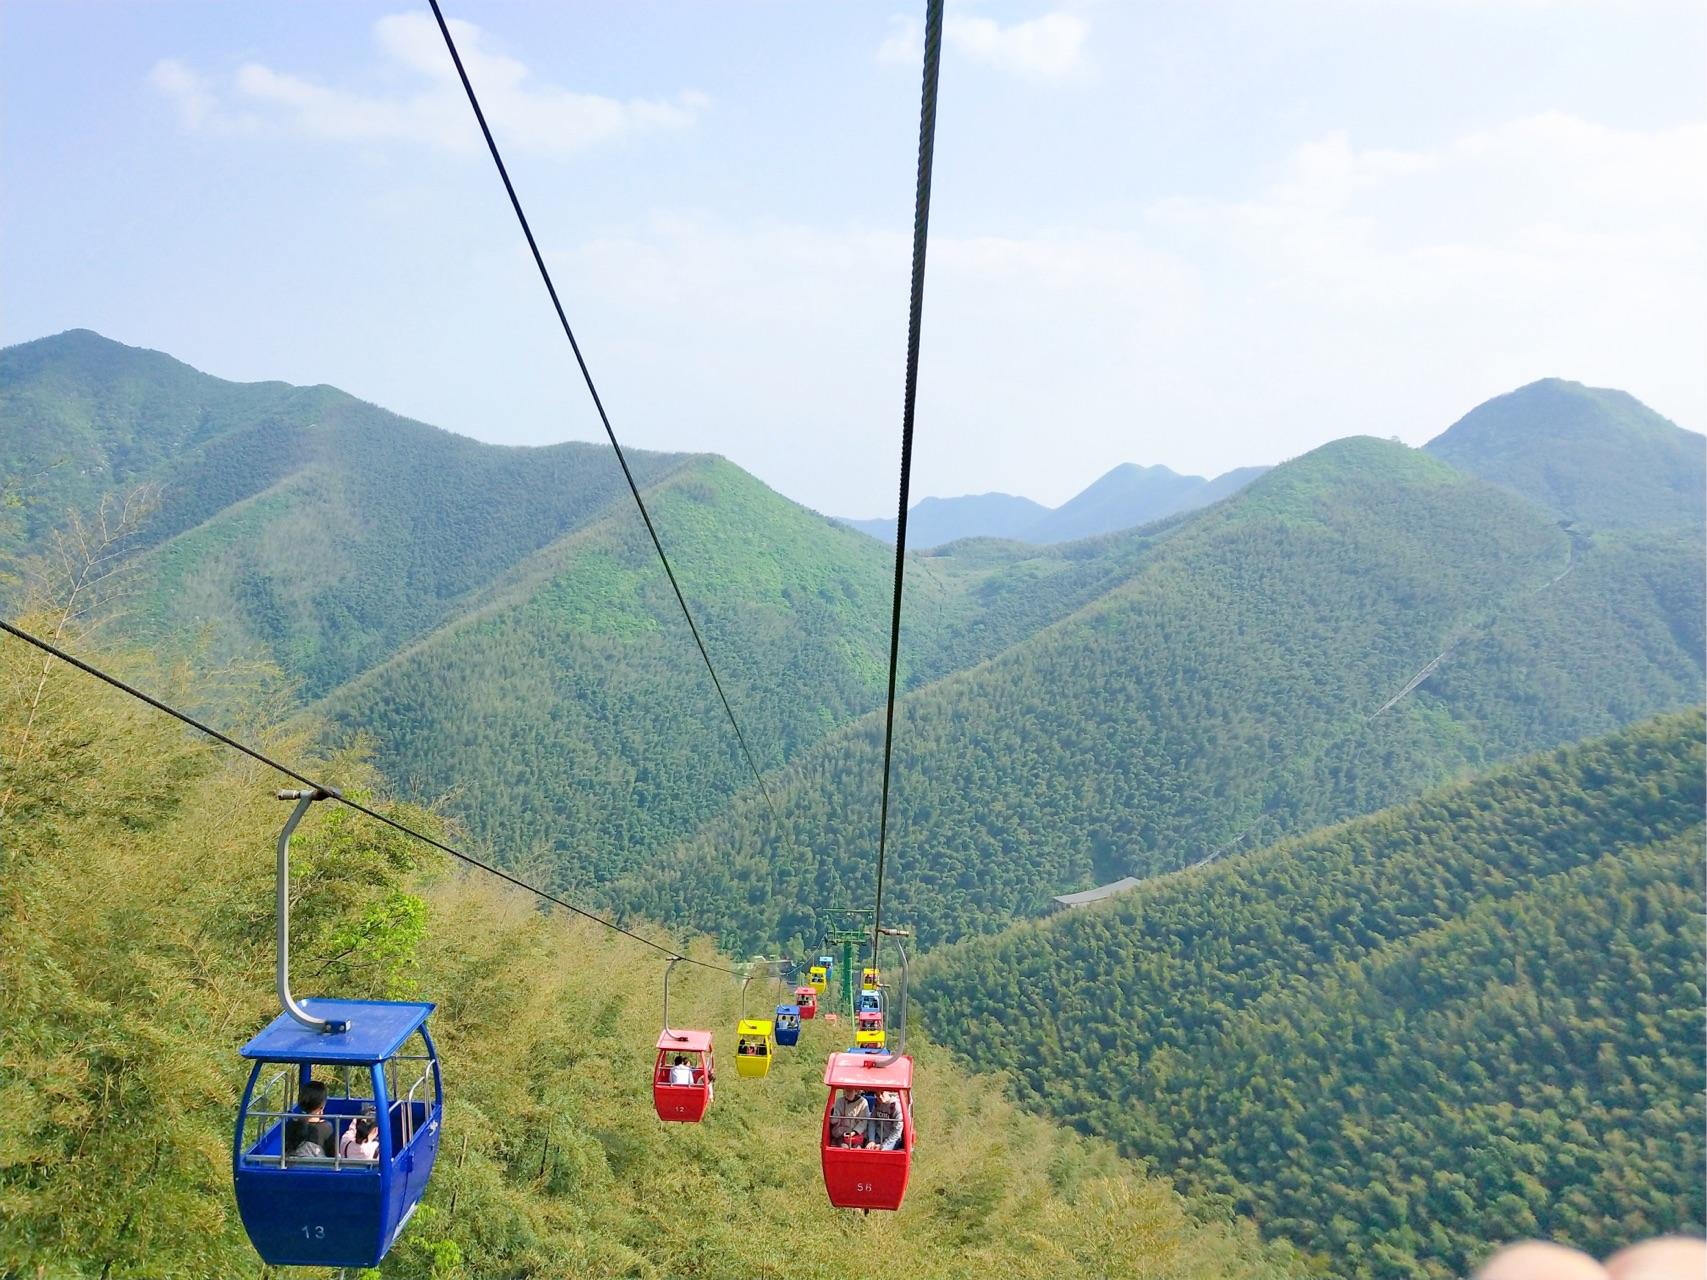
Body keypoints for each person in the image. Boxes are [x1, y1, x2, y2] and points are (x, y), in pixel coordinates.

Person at [284, 1080, 335, 1158]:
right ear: (322, 1104)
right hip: (317, 1168)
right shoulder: (326, 1128)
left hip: (294, 1168)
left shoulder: (290, 1124)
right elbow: (333, 1156)